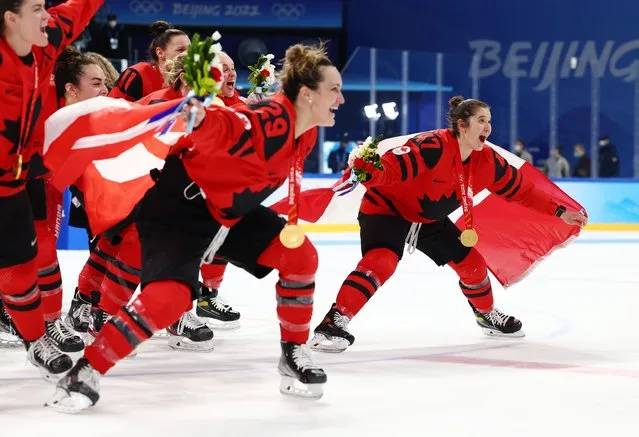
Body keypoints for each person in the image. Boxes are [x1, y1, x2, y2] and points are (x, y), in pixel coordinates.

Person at [48, 42, 345, 412]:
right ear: (307, 94)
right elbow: (229, 126)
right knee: (168, 300)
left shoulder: (306, 129)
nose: (341, 99)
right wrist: (200, 118)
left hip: (225, 210)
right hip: (177, 209)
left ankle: (294, 352)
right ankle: (85, 371)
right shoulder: (269, 119)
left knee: (299, 256)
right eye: (334, 89)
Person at [309, 96, 587, 353]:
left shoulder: (488, 161)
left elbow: (522, 190)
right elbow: (390, 169)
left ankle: (486, 315)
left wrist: (559, 210)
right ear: (461, 125)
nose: (488, 127)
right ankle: (332, 323)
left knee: (474, 265)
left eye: (489, 121)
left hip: (428, 219)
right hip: (387, 211)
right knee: (381, 262)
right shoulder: (431, 147)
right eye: (481, 120)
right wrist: (372, 172)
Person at [0, 0, 103, 381]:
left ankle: (34, 341)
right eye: (38, 9)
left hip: (13, 185)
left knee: (21, 268)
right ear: (12, 19)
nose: (48, 16)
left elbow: (79, 8)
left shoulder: (45, 45)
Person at [108, 20, 189, 102]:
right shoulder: (137, 74)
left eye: (190, 50)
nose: (187, 54)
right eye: (180, 50)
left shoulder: (188, 78)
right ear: (160, 52)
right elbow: (112, 108)